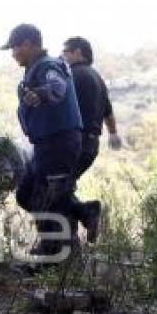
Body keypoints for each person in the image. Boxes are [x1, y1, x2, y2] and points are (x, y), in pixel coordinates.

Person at [1, 24, 84, 259]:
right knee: (27, 194)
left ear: (28, 44)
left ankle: (57, 256)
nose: (13, 53)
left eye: (15, 47)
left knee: (52, 199)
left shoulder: (49, 65)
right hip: (45, 143)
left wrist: (40, 94)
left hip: (59, 141)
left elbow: (57, 86)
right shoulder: (34, 69)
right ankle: (84, 212)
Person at [61, 36, 121, 242]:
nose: (63, 56)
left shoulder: (73, 75)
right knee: (63, 187)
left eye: (65, 52)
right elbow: (109, 114)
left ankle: (86, 214)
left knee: (50, 189)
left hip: (74, 144)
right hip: (91, 145)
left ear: (78, 52)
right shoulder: (97, 79)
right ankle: (78, 225)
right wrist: (113, 134)